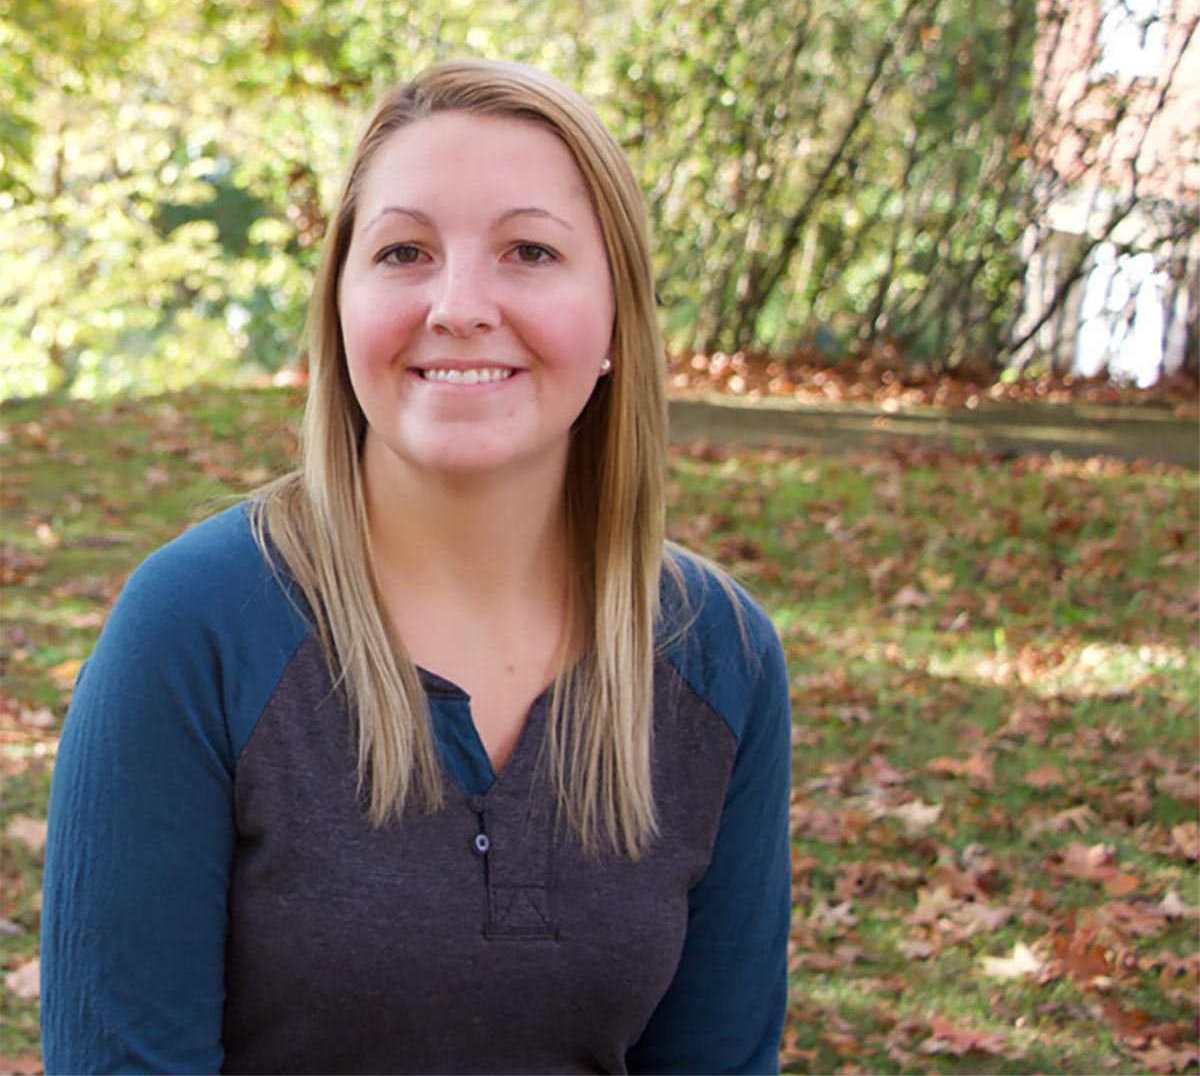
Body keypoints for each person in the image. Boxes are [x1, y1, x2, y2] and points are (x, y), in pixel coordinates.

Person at [41, 59, 792, 1074]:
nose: (460, 304)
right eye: (404, 252)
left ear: (618, 316)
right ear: (340, 309)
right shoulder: (195, 629)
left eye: (530, 250)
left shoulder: (721, 658)